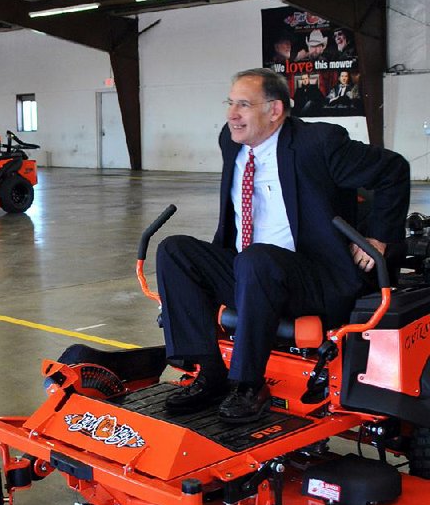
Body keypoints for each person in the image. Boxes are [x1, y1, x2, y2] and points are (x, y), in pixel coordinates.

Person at [156, 68, 409, 424]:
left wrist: (378, 237)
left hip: (313, 277)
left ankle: (247, 384)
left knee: (257, 261)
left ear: (275, 110)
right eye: (230, 103)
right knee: (174, 250)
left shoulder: (318, 143)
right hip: (253, 273)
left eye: (244, 104)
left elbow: (394, 169)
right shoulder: (231, 141)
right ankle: (209, 372)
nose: (232, 114)